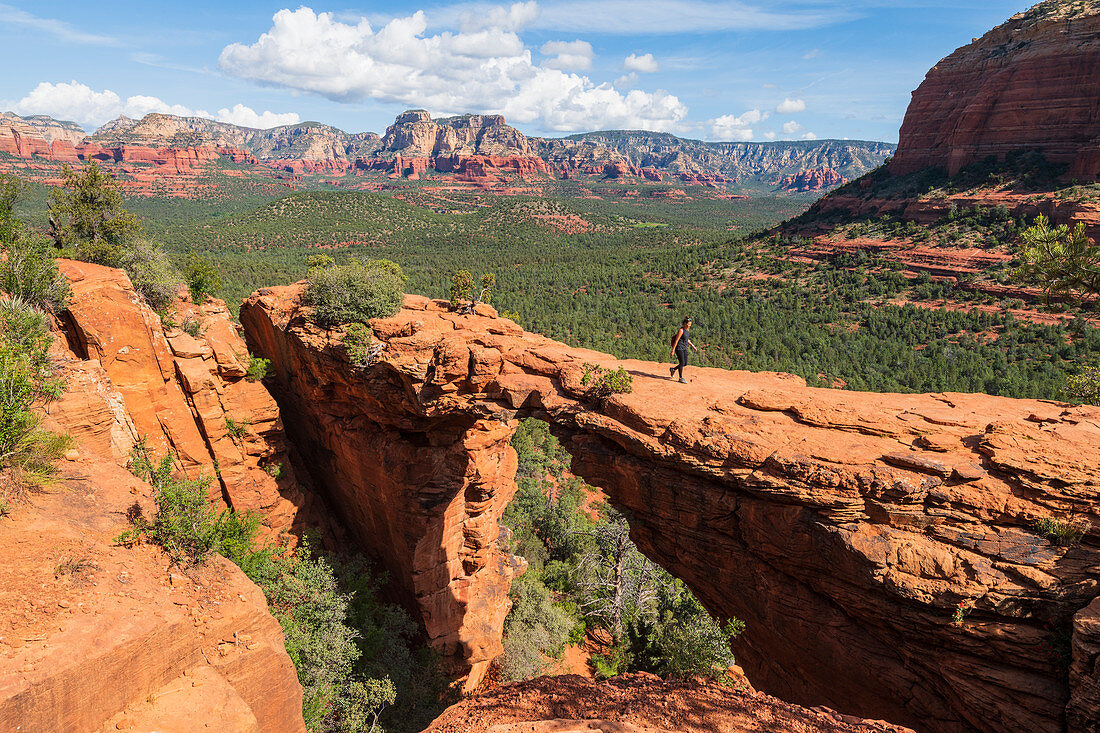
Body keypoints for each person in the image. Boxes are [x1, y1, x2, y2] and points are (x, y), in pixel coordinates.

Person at [669, 317, 698, 383]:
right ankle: (680, 378)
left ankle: (673, 369)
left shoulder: (687, 330)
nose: (689, 326)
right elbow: (676, 340)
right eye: (688, 324)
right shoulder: (681, 330)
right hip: (679, 348)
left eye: (690, 324)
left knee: (685, 363)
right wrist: (673, 350)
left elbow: (687, 339)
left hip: (684, 348)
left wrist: (693, 346)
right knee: (681, 362)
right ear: (685, 324)